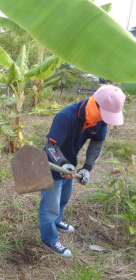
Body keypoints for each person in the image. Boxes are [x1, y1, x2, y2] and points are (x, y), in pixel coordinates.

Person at [40, 85, 126, 258]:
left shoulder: (101, 121)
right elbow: (51, 145)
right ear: (95, 104)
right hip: (52, 164)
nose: (106, 119)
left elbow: (96, 144)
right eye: (105, 114)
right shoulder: (66, 116)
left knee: (63, 199)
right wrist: (62, 164)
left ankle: (57, 222)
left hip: (70, 163)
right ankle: (49, 239)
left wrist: (87, 168)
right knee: (50, 205)